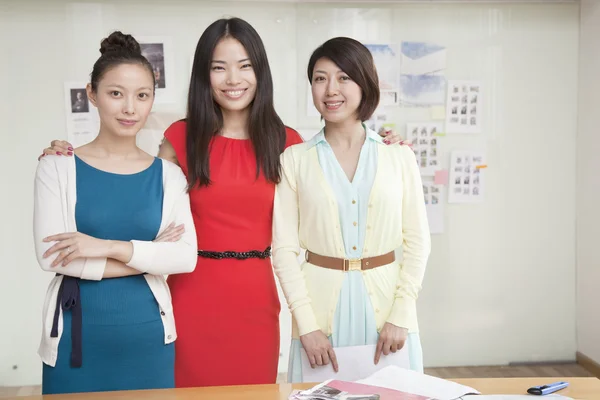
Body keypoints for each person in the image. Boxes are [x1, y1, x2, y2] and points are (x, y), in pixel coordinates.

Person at [38, 18, 408, 387]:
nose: (233, 79)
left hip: (256, 301)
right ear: (204, 75)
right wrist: (73, 158)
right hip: (190, 298)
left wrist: (383, 143)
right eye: (219, 68)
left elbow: (339, 205)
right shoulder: (180, 137)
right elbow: (133, 193)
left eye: (245, 66)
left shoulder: (288, 142)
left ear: (260, 71)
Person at [33, 31, 197, 394]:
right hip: (77, 337)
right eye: (115, 93)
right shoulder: (57, 167)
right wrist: (150, 254)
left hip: (148, 335)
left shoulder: (169, 176)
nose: (129, 108)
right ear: (92, 94)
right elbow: (53, 258)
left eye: (142, 96)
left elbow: (185, 257)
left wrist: (104, 246)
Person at [272, 37, 431, 383]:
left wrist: (402, 314)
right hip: (318, 315)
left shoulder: (399, 156)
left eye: (344, 77)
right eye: (320, 78)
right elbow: (283, 251)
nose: (331, 89)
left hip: (390, 310)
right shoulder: (294, 160)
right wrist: (307, 325)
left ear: (364, 83)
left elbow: (418, 242)